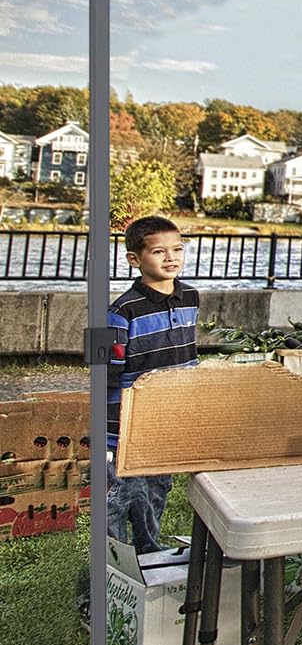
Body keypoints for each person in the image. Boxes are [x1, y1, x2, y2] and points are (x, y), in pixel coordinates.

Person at [107, 215, 199, 553]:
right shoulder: (119, 310)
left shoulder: (191, 297)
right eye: (159, 252)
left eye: (177, 249)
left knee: (157, 488)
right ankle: (114, 562)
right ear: (135, 259)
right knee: (119, 495)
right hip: (125, 425)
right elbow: (105, 368)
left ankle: (149, 550)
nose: (171, 258)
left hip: (168, 421)